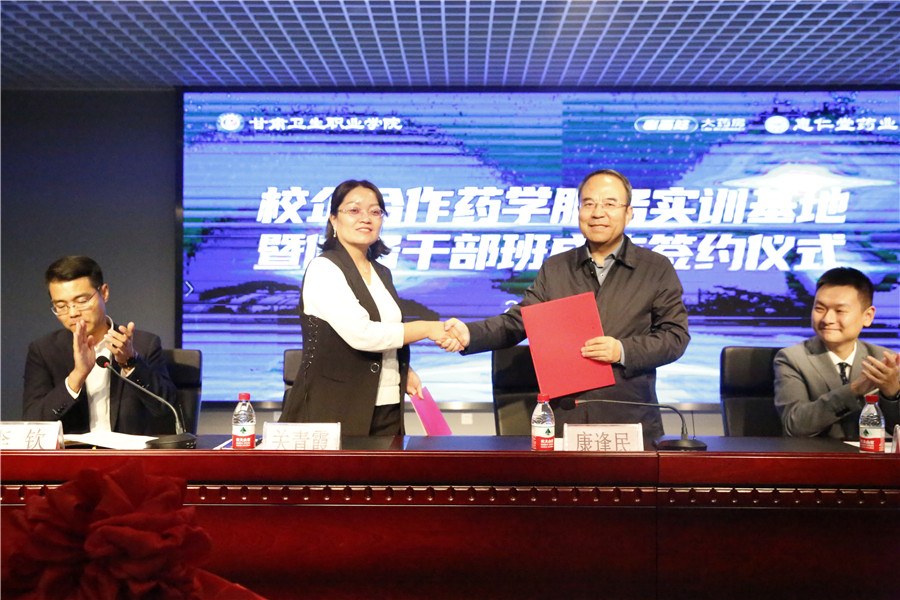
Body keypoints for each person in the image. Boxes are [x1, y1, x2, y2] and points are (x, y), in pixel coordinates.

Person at [443, 169, 690, 443]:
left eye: (610, 204)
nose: (598, 213)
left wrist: (622, 350)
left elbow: (675, 336)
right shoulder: (556, 268)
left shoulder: (655, 268)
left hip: (630, 419)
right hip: (566, 419)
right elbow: (519, 322)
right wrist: (470, 334)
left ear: (628, 213)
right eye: (589, 203)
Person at [279, 179, 460, 436]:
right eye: (354, 210)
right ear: (333, 219)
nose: (366, 218)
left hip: (387, 406)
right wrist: (428, 328)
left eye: (375, 212)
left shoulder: (382, 273)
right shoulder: (324, 269)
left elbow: (387, 332)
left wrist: (400, 368)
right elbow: (363, 334)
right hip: (333, 408)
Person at [23, 256, 180, 435]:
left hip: (127, 452)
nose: (72, 313)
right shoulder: (44, 351)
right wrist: (77, 376)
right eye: (61, 306)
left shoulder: (143, 345)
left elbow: (168, 411)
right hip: (74, 452)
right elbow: (33, 422)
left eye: (81, 301)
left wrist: (130, 363)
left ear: (104, 293)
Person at [774, 267, 900, 439]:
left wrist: (892, 395)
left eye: (840, 311)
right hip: (817, 455)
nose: (827, 319)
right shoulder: (792, 359)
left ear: (868, 316)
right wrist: (853, 390)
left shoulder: (884, 360)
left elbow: (895, 430)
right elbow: (794, 426)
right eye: (820, 309)